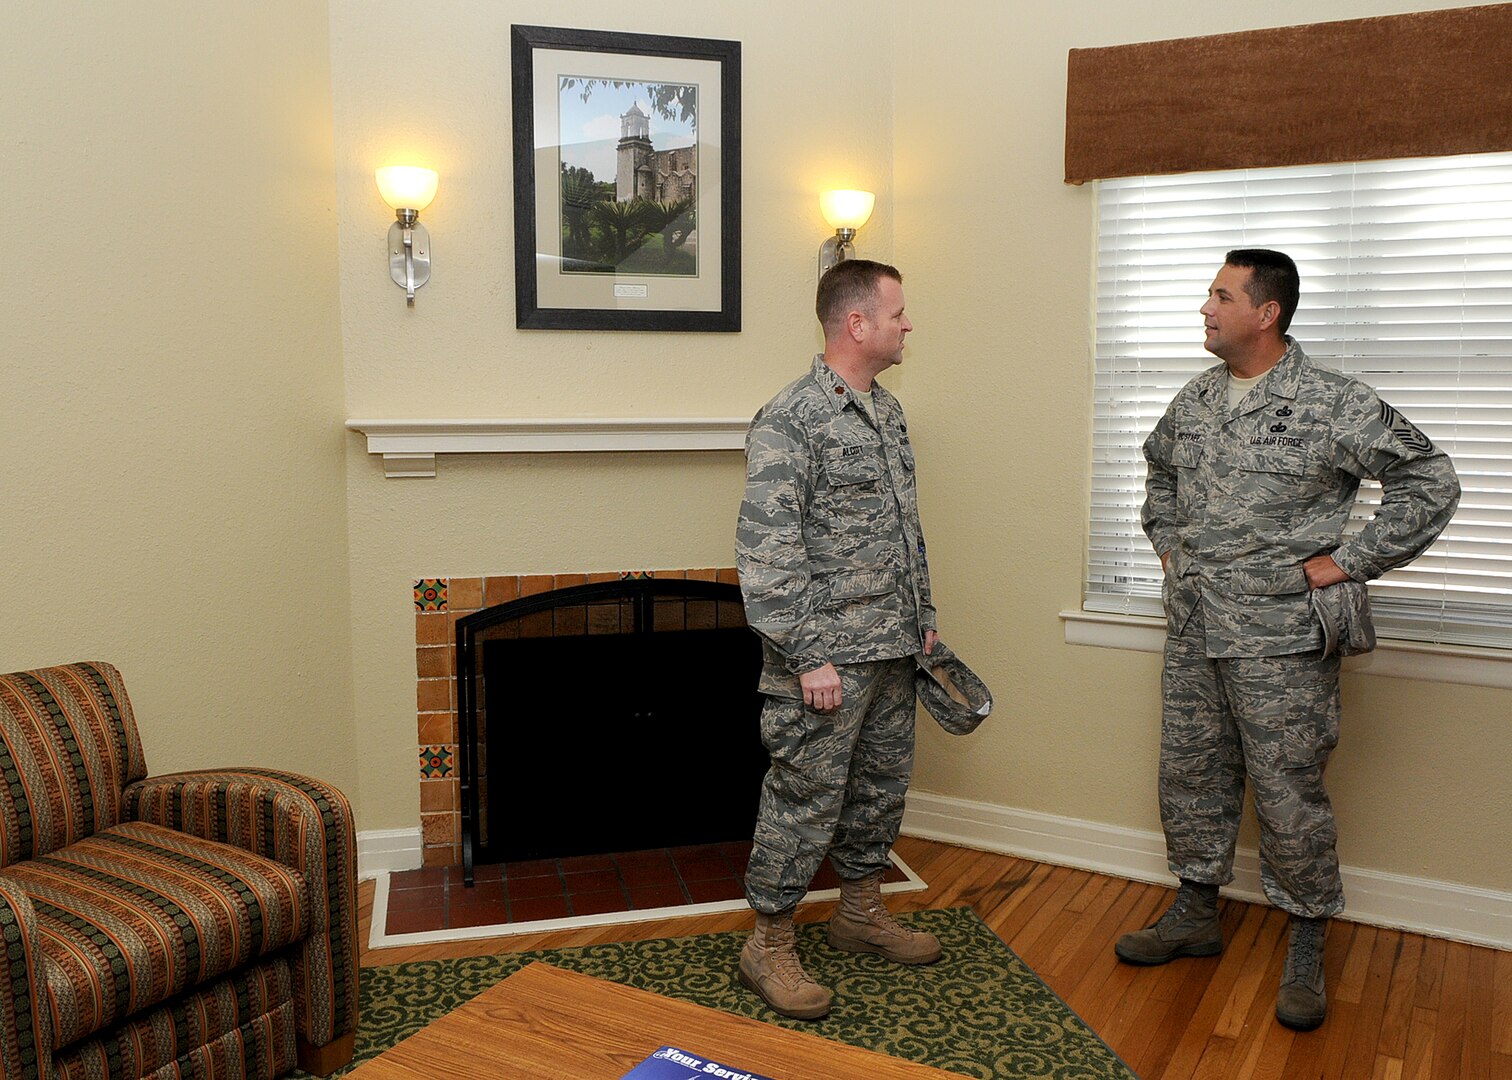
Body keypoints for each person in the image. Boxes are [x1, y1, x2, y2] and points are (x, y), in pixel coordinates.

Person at [1118, 249, 1460, 1031]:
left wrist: (1348, 561)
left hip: (1281, 641)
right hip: (1196, 629)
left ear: (1265, 313)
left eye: (1220, 295)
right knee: (1193, 777)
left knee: (1287, 794)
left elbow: (1430, 481)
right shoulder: (1196, 399)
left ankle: (1306, 938)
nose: (1205, 308)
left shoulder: (1331, 402)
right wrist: (1168, 544)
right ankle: (1196, 911)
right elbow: (1158, 476)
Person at [734, 259, 940, 1020]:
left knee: (878, 794)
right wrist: (808, 654)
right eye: (897, 313)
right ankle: (770, 943)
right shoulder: (791, 418)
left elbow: (901, 531)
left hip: (892, 649)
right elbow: (766, 549)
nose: (907, 324)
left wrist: (923, 619)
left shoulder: (886, 413)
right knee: (803, 800)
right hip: (823, 660)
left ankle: (859, 914)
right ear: (856, 324)